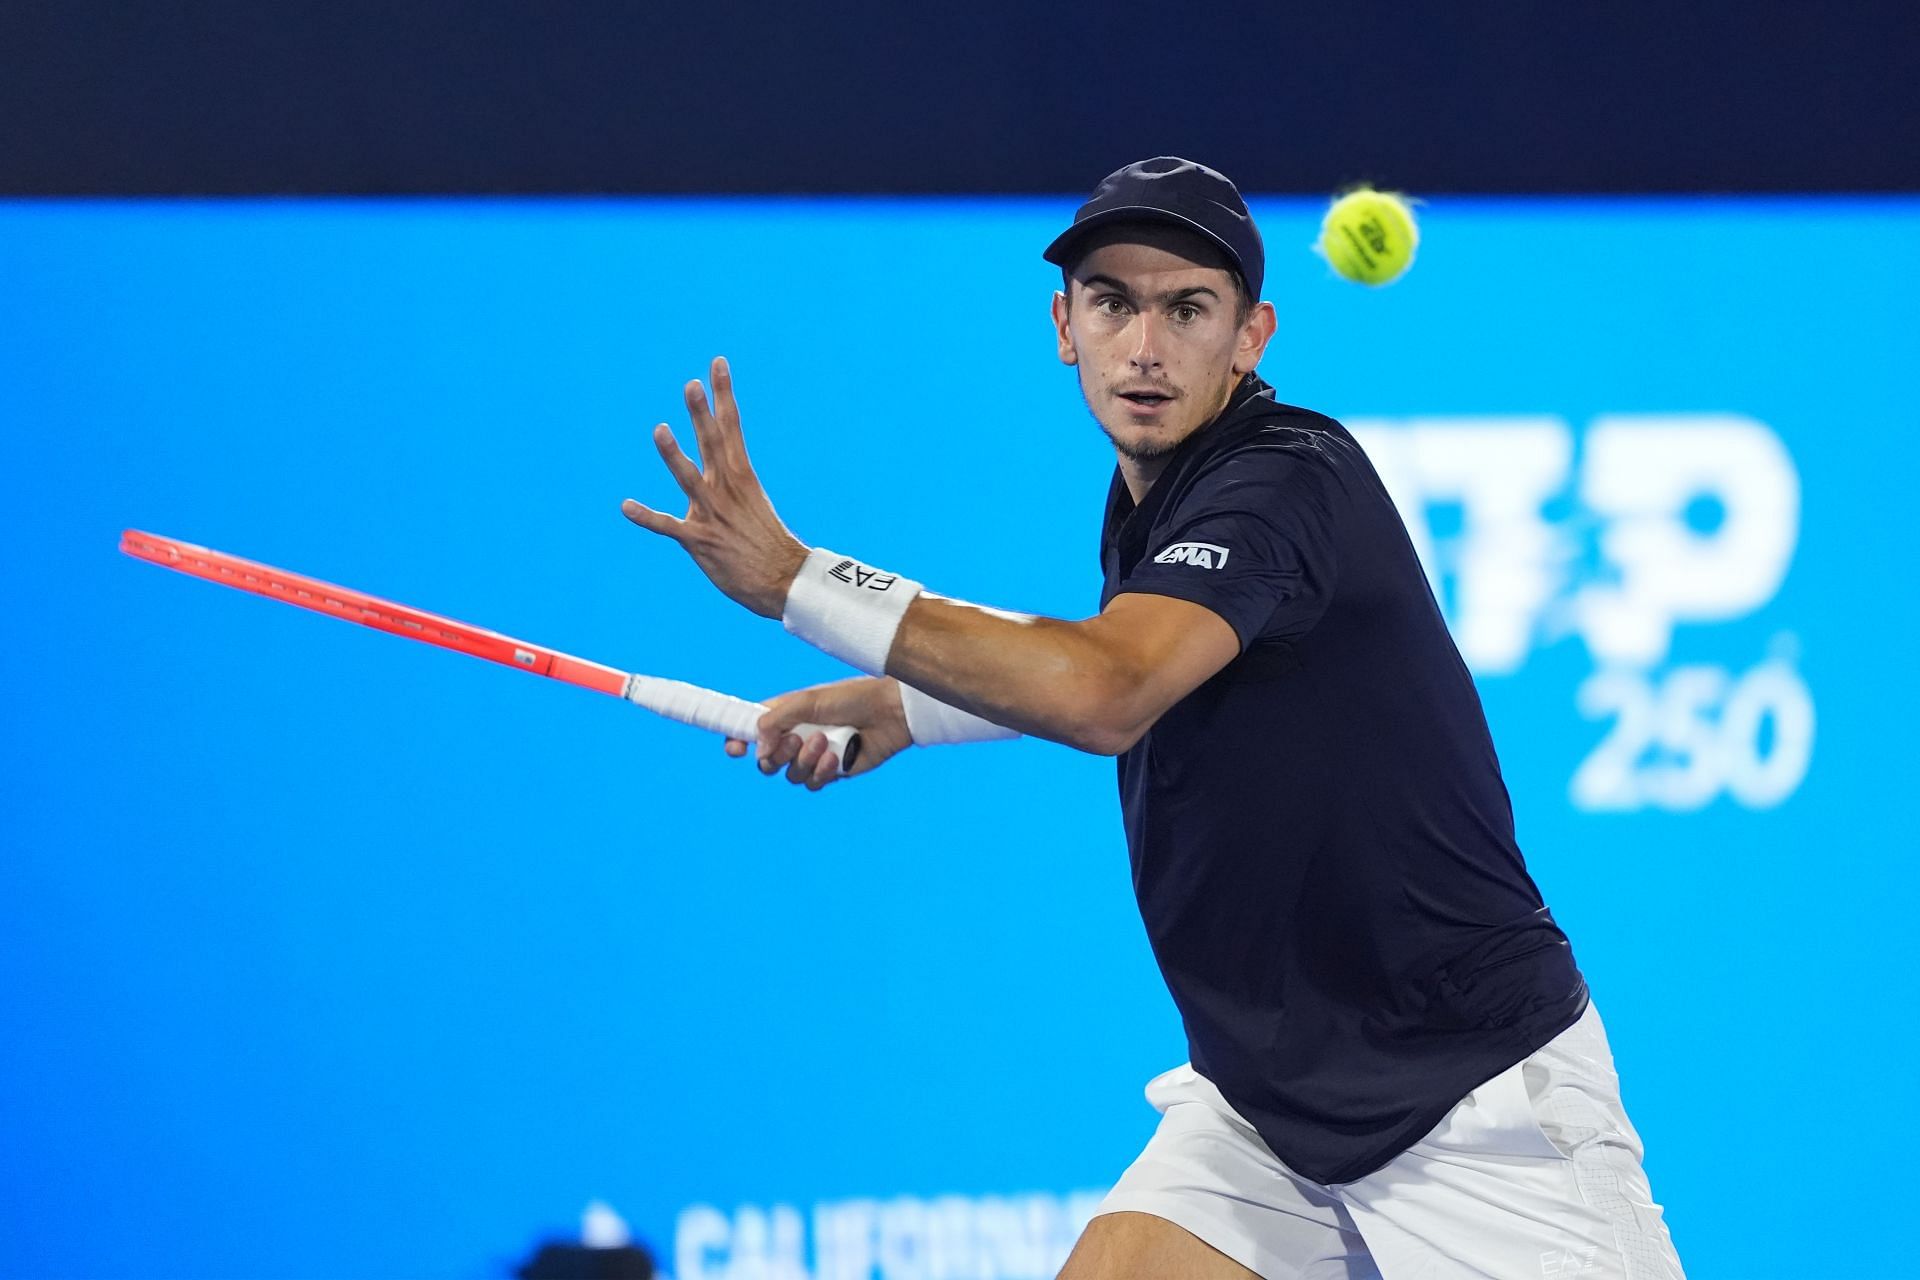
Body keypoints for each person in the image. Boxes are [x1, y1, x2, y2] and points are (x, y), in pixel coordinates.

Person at [619, 156, 1685, 1280]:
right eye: (1113, 302)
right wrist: (910, 707)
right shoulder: (1160, 498)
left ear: (1251, 336)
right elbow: (1147, 661)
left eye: (1188, 308)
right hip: (1267, 1105)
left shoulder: (1287, 478)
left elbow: (1107, 688)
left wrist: (797, 577)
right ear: (1063, 324)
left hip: (1469, 1094)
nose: (1145, 344)